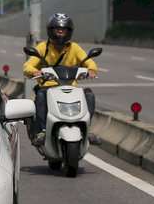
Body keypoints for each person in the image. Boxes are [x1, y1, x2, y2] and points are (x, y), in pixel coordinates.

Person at [22, 13, 98, 146]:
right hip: (48, 88)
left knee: (89, 95)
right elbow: (28, 66)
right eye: (58, 29)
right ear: (50, 30)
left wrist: (91, 70)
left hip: (71, 88)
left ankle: (86, 128)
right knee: (41, 95)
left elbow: (89, 61)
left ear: (69, 32)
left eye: (64, 30)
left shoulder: (74, 47)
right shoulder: (43, 47)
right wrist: (36, 71)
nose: (61, 32)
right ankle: (43, 131)